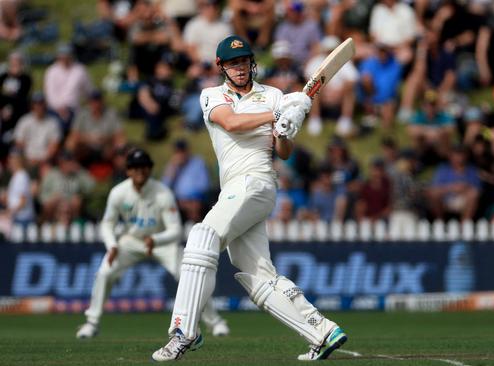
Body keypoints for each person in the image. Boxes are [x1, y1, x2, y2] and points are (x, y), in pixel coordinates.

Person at [152, 35, 347, 362]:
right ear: (221, 67)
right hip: (235, 189)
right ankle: (322, 331)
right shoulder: (211, 95)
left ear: (251, 63)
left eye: (243, 62)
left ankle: (184, 331)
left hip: (256, 183)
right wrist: (277, 114)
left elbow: (283, 152)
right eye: (232, 63)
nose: (239, 68)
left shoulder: (273, 95)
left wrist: (286, 128)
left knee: (202, 237)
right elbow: (232, 122)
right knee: (257, 276)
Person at [76, 148, 229, 339]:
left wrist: (155, 239)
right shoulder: (119, 193)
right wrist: (112, 245)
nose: (140, 171)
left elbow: (174, 230)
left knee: (188, 276)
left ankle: (216, 323)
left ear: (150, 169)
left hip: (160, 241)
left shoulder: (163, 193)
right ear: (128, 171)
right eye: (135, 167)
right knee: (104, 273)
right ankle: (92, 323)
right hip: (131, 241)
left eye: (144, 167)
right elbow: (107, 223)